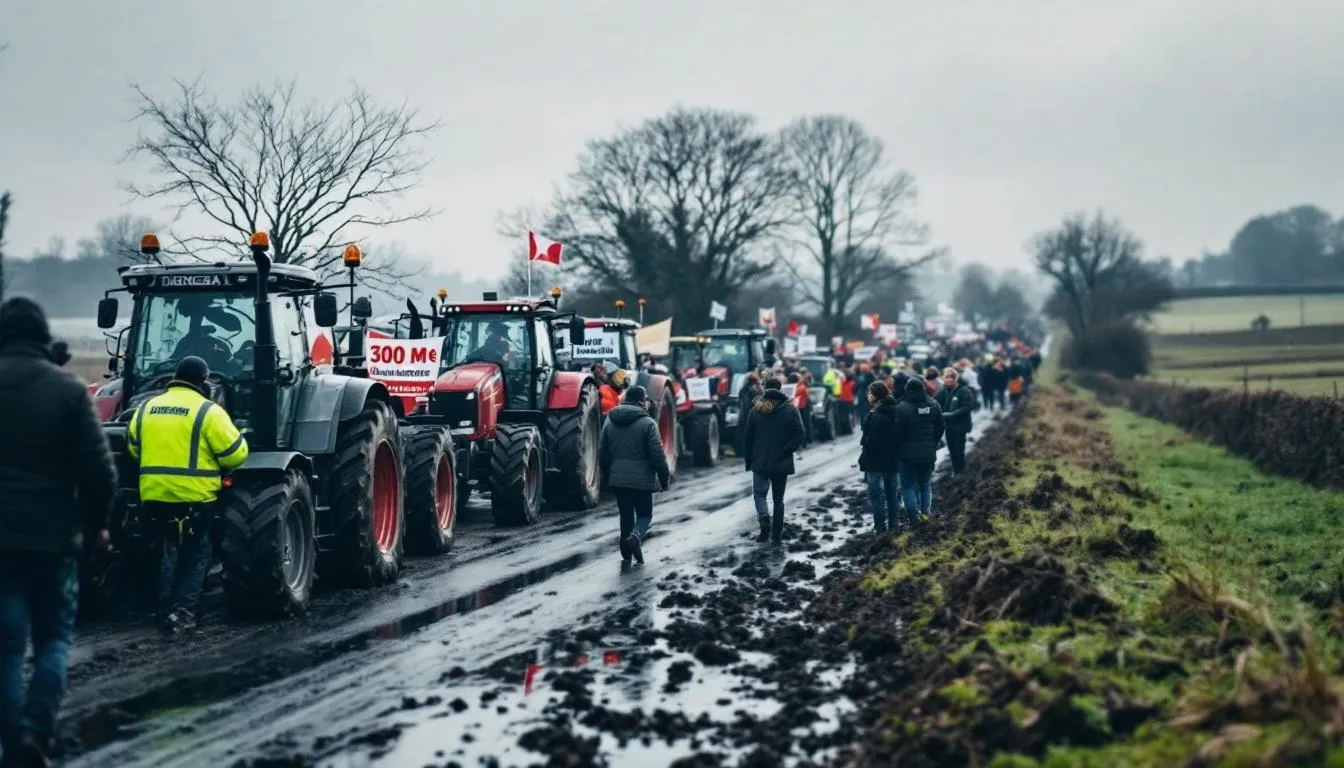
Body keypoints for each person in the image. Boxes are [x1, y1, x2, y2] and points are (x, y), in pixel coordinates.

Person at [0, 297, 117, 768]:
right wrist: (98, 526)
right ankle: (36, 730)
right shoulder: (68, 391)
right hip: (53, 541)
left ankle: (12, 744)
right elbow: (99, 472)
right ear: (42, 337)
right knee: (53, 640)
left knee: (7, 647)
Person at [128, 356, 249, 634]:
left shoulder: (147, 407)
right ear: (204, 381)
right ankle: (183, 613)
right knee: (195, 553)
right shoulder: (209, 412)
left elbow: (133, 448)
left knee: (164, 550)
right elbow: (235, 455)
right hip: (195, 498)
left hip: (154, 496)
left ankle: (162, 609)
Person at [598, 386, 671, 565]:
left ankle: (626, 556)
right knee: (644, 515)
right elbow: (658, 455)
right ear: (641, 401)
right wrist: (664, 479)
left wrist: (608, 474)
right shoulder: (648, 423)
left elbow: (602, 451)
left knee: (626, 517)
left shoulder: (610, 420)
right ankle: (637, 536)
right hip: (642, 480)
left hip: (618, 480)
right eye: (646, 399)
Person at [742, 378, 805, 544]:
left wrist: (749, 460)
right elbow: (800, 433)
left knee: (759, 494)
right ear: (780, 388)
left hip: (760, 460)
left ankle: (764, 519)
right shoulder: (790, 409)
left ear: (764, 389)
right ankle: (776, 536)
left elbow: (747, 438)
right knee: (778, 500)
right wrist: (787, 450)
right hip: (781, 461)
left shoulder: (755, 410)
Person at [894, 377, 944, 524]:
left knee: (908, 486)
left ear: (907, 390)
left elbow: (896, 431)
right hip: (928, 453)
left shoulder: (901, 407)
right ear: (923, 388)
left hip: (906, 455)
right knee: (925, 485)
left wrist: (900, 446)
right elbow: (940, 426)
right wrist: (933, 442)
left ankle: (914, 518)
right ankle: (926, 515)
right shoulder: (934, 404)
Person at [858, 381, 901, 534]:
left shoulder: (877, 414)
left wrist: (865, 442)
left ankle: (880, 526)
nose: (867, 395)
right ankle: (894, 523)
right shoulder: (895, 409)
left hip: (875, 461)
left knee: (876, 495)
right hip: (893, 460)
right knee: (892, 493)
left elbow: (872, 438)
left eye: (870, 393)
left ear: (876, 395)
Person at [937, 367, 976, 476]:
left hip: (960, 426)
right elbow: (934, 401)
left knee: (959, 450)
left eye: (951, 378)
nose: (948, 380)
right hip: (949, 426)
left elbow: (968, 406)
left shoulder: (964, 390)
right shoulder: (943, 390)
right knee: (952, 450)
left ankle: (960, 471)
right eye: (946, 378)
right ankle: (956, 470)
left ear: (955, 379)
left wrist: (953, 414)